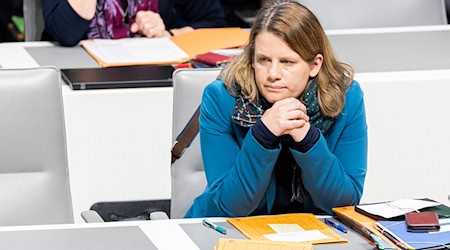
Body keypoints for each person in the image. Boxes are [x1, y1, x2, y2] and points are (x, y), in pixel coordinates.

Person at [185, 0, 367, 218]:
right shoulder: (222, 98)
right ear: (252, 60)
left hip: (311, 234)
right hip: (226, 230)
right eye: (263, 60)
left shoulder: (346, 98)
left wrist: (308, 139)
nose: (273, 74)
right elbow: (231, 206)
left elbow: (344, 204)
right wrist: (263, 135)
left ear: (315, 65)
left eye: (287, 62)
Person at [42, 0, 226, 46]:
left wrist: (167, 35)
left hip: (154, 77)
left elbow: (215, 23)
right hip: (76, 78)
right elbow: (65, 33)